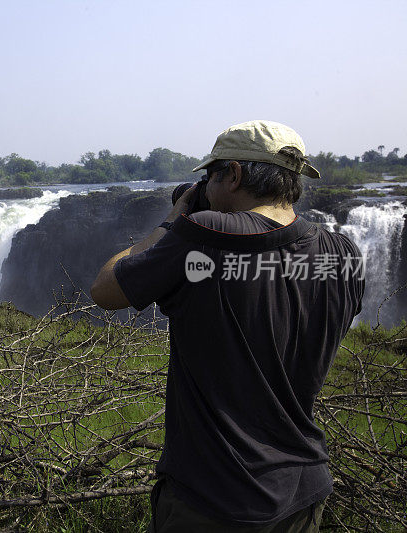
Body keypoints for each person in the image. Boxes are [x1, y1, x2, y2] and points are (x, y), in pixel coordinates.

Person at [90, 120, 365, 532]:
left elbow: (106, 289)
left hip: (214, 499)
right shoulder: (343, 254)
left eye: (209, 176)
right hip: (304, 491)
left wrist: (173, 219)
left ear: (233, 174)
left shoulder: (205, 234)